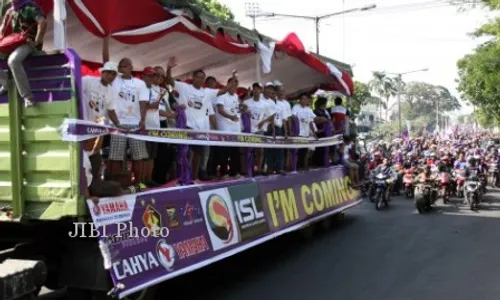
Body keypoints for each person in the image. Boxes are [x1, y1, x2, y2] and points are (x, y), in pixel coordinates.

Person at [165, 56, 235, 180]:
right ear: (193, 78)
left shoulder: (207, 92)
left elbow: (224, 90)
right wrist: (169, 68)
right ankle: (182, 178)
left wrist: (233, 78)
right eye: (198, 76)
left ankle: (194, 178)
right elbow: (169, 80)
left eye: (202, 77)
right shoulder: (184, 87)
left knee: (197, 154)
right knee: (186, 154)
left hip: (200, 130)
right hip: (187, 127)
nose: (201, 79)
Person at [108, 58, 150, 187]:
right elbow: (106, 62)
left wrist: (142, 120)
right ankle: (114, 184)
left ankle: (138, 184)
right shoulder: (114, 81)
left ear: (131, 67)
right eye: (121, 66)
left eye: (126, 66)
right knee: (115, 157)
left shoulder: (140, 84)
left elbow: (143, 102)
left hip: (135, 124)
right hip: (118, 123)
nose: (123, 68)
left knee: (138, 156)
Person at [0, 0, 47, 108]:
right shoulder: (10, 10)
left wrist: (37, 41)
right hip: (13, 43)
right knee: (11, 59)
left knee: (13, 61)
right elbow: (2, 31)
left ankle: (28, 98)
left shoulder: (29, 7)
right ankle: (5, 83)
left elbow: (42, 22)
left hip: (27, 43)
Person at [81, 61, 122, 182]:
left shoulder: (111, 91)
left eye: (114, 74)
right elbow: (75, 90)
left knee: (95, 157)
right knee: (85, 157)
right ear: (102, 72)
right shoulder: (88, 80)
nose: (111, 76)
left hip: (99, 129)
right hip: (85, 127)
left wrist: (118, 125)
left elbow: (111, 110)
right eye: (109, 72)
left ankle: (95, 185)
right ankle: (86, 188)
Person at [242, 82, 274, 175]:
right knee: (249, 151)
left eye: (258, 88)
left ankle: (258, 169)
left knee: (260, 151)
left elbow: (271, 116)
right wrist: (244, 111)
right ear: (252, 90)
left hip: (259, 130)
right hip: (248, 130)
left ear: (261, 90)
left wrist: (263, 122)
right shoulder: (247, 102)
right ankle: (248, 169)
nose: (256, 90)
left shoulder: (265, 104)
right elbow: (239, 109)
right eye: (255, 88)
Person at [215, 77, 241, 178]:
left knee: (235, 151)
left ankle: (235, 172)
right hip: (225, 127)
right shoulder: (222, 96)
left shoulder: (236, 96)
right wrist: (230, 117)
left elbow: (236, 109)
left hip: (235, 127)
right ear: (228, 84)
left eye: (236, 85)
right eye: (232, 84)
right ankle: (223, 172)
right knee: (224, 151)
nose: (234, 87)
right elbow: (220, 109)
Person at [292, 93, 319, 170]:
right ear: (299, 100)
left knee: (304, 151)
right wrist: (295, 119)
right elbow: (293, 116)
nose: (304, 100)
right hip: (298, 133)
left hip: (306, 133)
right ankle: (296, 167)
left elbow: (312, 121)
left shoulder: (309, 110)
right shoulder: (296, 107)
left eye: (305, 99)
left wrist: (314, 134)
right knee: (297, 151)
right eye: (302, 99)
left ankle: (302, 167)